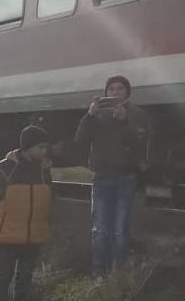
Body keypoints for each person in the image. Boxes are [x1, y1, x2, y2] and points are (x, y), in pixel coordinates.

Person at [73, 75, 151, 277]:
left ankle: (118, 271)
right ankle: (98, 271)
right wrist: (89, 116)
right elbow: (80, 140)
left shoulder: (136, 114)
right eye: (112, 89)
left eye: (120, 89)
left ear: (127, 92)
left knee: (120, 229)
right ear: (106, 93)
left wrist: (125, 121)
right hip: (101, 176)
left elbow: (140, 143)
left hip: (126, 177)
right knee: (100, 229)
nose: (115, 92)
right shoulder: (97, 114)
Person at [0, 125, 53, 301]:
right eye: (40, 147)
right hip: (9, 234)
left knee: (25, 277)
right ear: (28, 147)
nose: (44, 152)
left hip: (33, 235)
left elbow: (50, 194)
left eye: (45, 148)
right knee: (4, 276)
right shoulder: (5, 168)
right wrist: (11, 193)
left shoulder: (44, 169)